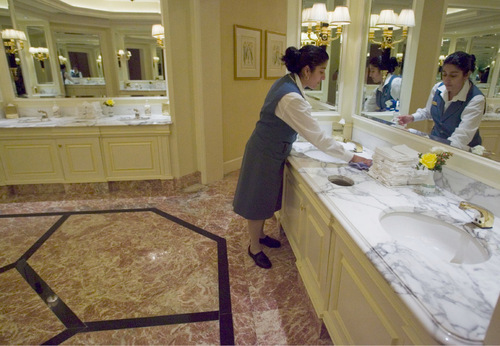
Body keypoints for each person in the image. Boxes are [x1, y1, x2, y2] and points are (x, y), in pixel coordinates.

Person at [233, 45, 372, 269]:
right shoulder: (291, 98)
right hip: (264, 153)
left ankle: (258, 237)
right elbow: (319, 138)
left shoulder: (288, 82)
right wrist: (352, 158)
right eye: (321, 71)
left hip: (270, 149)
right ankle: (254, 247)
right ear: (307, 71)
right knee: (257, 202)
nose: (324, 77)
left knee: (264, 200)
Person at [397, 51, 485, 150]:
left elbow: (461, 138)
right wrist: (411, 118)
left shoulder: (475, 99)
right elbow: (429, 111)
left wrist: (438, 150)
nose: (446, 80)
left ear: (466, 75)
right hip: (437, 143)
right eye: (444, 74)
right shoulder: (438, 88)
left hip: (460, 150)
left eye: (453, 76)